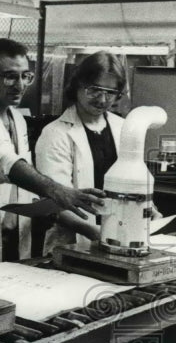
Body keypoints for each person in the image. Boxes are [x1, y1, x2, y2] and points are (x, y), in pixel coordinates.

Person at [0, 38, 104, 266]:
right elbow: (6, 164)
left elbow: (24, 190)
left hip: (14, 241)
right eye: (10, 76)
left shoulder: (17, 119)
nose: (20, 85)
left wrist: (86, 227)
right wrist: (58, 190)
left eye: (25, 76)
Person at [35, 51, 127, 255]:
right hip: (72, 244)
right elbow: (54, 202)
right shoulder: (55, 134)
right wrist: (96, 233)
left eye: (110, 92)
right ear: (78, 85)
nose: (102, 99)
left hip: (120, 237)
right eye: (94, 90)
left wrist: (148, 210)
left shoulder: (125, 129)